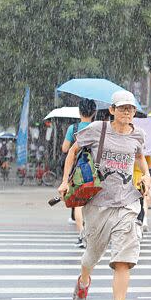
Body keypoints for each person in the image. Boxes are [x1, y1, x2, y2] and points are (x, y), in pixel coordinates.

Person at [57, 90, 151, 300]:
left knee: (123, 258)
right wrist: (65, 180)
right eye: (122, 108)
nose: (127, 112)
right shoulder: (97, 129)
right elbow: (72, 151)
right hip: (98, 203)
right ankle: (83, 280)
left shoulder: (138, 135)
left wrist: (147, 178)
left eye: (130, 109)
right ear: (111, 110)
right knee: (92, 255)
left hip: (127, 202)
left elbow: (140, 159)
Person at [61, 98, 96, 248]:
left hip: (77, 171)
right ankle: (93, 234)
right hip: (94, 170)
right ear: (94, 112)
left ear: (79, 111)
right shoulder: (97, 128)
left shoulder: (73, 128)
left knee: (79, 205)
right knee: (94, 202)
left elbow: (65, 149)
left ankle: (82, 235)